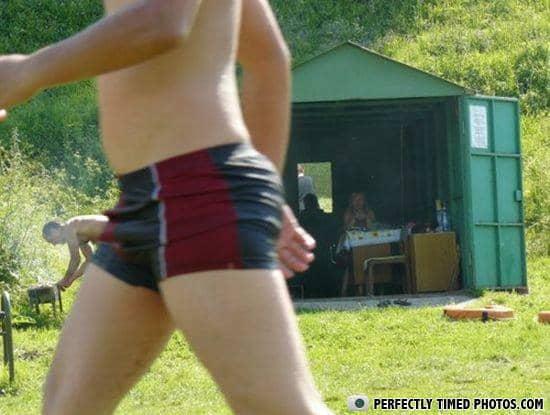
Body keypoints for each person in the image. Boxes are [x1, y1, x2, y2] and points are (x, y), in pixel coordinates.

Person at [0, 1, 334, 414]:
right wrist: (264, 192)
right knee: (65, 406)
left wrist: (26, 71)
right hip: (142, 202)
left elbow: (163, 21)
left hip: (200, 193)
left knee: (280, 407)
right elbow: (268, 58)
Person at [42, 216, 107, 290]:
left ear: (55, 230)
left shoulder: (69, 230)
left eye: (51, 240)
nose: (54, 244)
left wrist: (65, 279)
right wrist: (70, 280)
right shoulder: (79, 236)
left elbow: (75, 259)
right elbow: (90, 260)